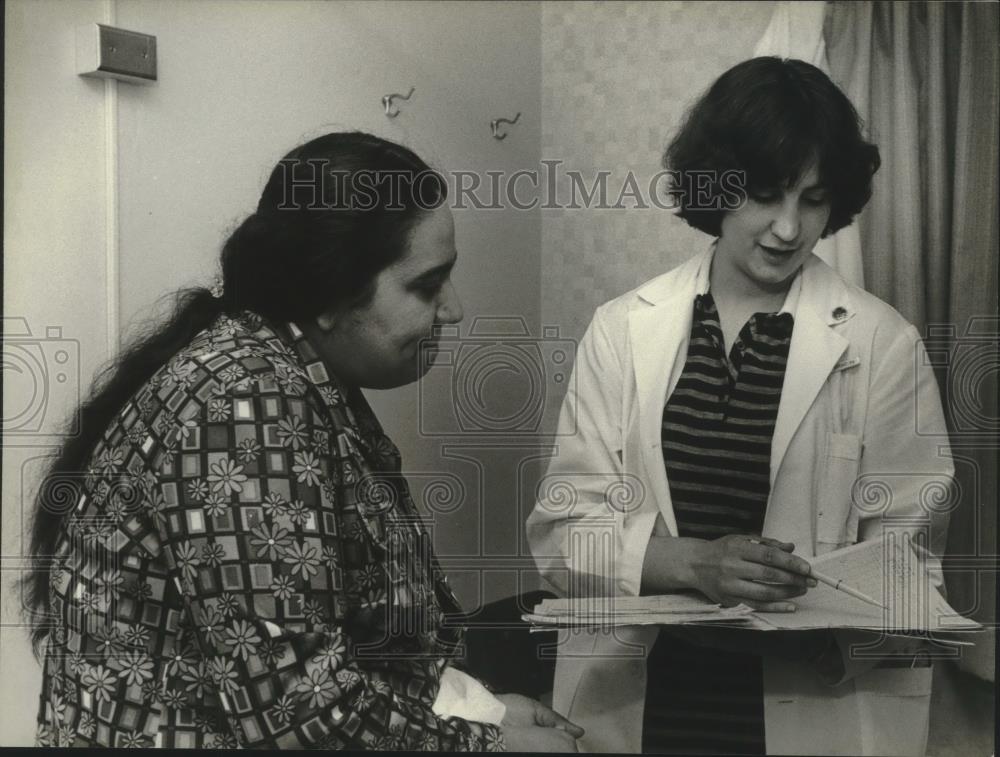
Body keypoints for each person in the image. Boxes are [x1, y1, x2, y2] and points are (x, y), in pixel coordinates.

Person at [24, 131, 582, 751]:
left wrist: (480, 709)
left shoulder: (286, 371)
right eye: (427, 285)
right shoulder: (241, 413)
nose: (453, 309)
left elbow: (341, 650)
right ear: (330, 297)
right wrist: (492, 746)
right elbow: (297, 716)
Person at [527, 57, 953, 755]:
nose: (789, 228)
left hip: (816, 702)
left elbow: (912, 566)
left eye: (812, 200)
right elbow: (564, 532)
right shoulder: (624, 328)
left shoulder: (883, 344)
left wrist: (830, 622)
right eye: (765, 194)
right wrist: (693, 562)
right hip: (644, 699)